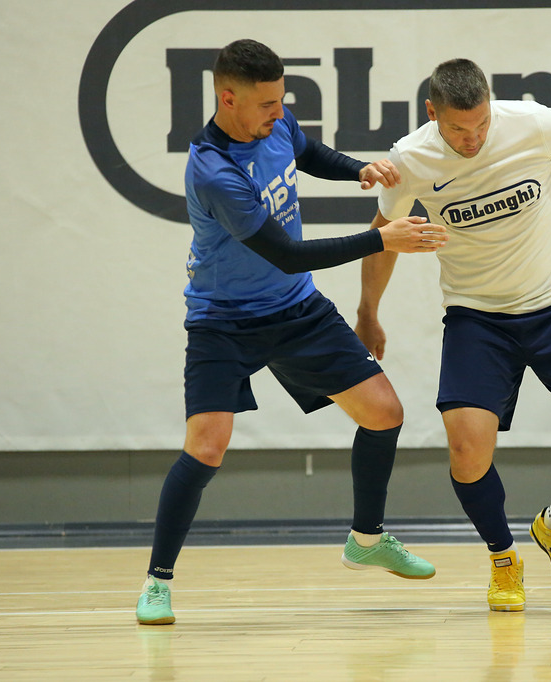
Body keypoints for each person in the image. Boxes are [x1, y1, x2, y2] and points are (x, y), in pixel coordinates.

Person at [135, 39, 447, 625]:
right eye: (267, 104)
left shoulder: (274, 122)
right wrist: (382, 239)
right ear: (228, 99)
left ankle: (367, 539)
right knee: (207, 446)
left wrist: (358, 169)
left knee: (385, 414)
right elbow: (286, 254)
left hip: (296, 309)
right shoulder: (214, 170)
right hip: (224, 322)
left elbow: (306, 150)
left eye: (281, 101)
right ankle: (157, 582)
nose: (279, 113)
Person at [355, 58, 551, 612]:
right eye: (459, 129)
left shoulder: (533, 123)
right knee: (467, 451)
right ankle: (503, 558)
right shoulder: (409, 158)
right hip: (477, 317)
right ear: (432, 113)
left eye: (482, 124)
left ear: (491, 105)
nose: (474, 138)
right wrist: (368, 312)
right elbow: (384, 235)